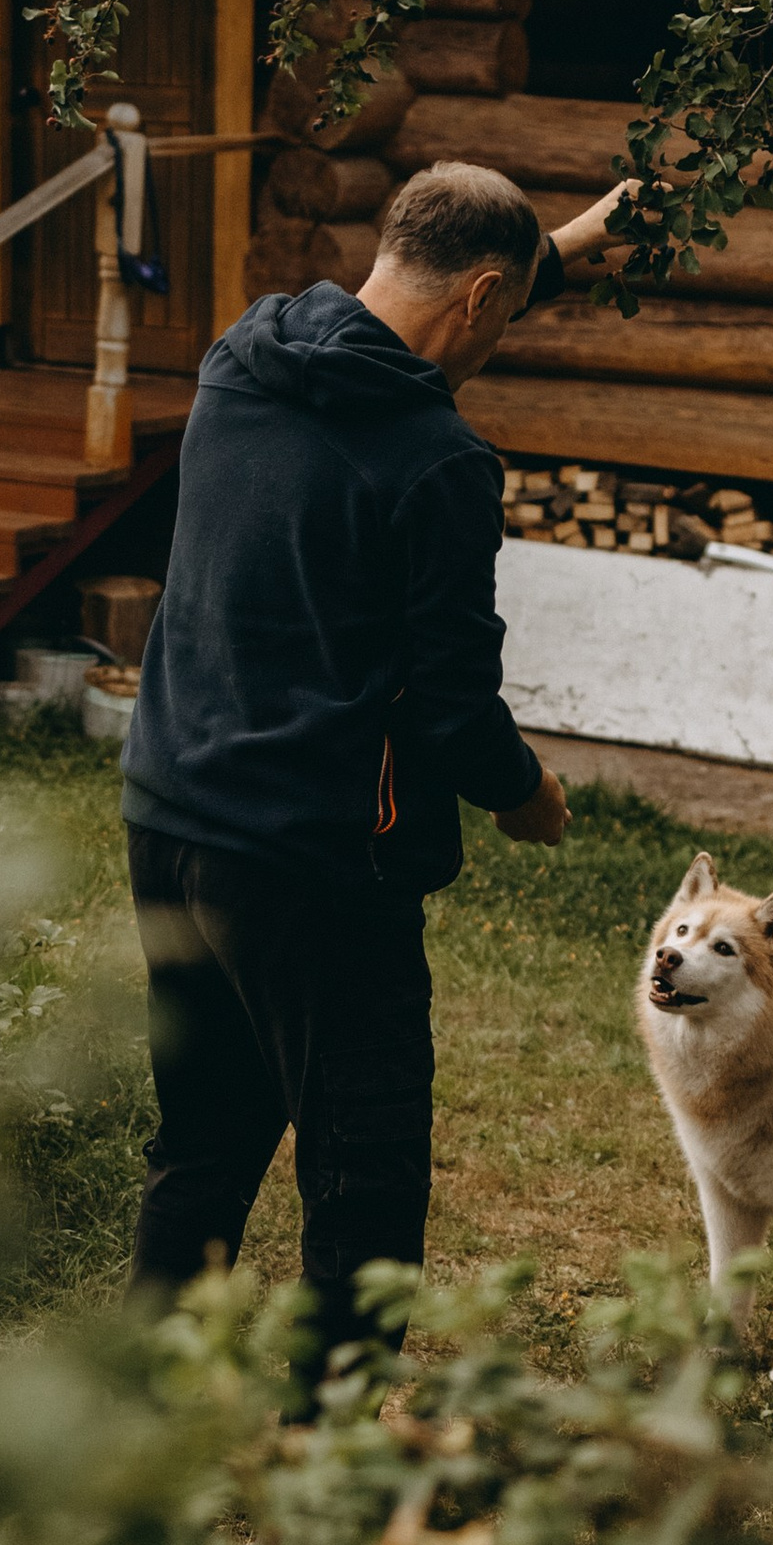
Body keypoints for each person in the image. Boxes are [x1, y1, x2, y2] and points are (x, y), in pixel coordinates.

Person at [122, 155, 627, 1376]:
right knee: (365, 1168)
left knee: (205, 1134)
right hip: (313, 861)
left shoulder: (245, 355)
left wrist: (567, 244)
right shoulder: (439, 463)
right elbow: (454, 705)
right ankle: (329, 1458)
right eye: (502, 313)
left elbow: (422, 309)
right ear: (481, 299)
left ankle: (128, 1414)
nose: (493, 341)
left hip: (173, 814)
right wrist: (525, 797)